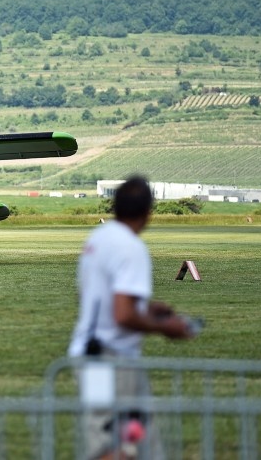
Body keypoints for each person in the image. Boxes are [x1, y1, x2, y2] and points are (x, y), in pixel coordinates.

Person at [67, 176, 193, 460]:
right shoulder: (131, 247)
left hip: (89, 355)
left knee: (115, 440)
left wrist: (146, 309)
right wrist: (165, 327)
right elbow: (123, 314)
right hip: (112, 360)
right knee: (122, 444)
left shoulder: (98, 238)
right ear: (148, 211)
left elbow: (94, 298)